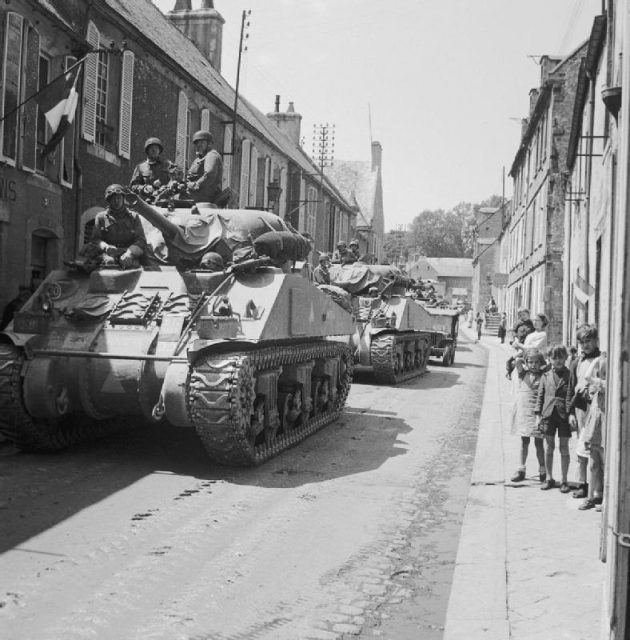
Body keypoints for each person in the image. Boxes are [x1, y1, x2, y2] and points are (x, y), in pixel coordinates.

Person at [567, 324, 602, 502]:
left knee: (595, 451)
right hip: (581, 410)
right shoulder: (576, 362)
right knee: (581, 450)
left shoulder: (601, 361)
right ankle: (582, 484)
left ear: (596, 341)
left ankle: (597, 489)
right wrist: (571, 412)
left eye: (588, 341)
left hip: (596, 410)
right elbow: (570, 389)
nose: (585, 345)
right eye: (582, 342)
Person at [79, 184, 146, 270]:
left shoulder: (133, 217)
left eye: (119, 198)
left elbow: (141, 240)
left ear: (123, 199)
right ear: (109, 200)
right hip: (107, 254)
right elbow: (95, 239)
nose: (116, 201)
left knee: (132, 266)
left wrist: (130, 253)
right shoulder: (101, 217)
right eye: (113, 199)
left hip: (128, 254)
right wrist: (106, 247)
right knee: (109, 263)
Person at [535, 344, 572, 492]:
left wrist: (571, 414)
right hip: (548, 415)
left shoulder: (570, 375)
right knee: (549, 447)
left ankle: (564, 480)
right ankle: (549, 478)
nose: (557, 360)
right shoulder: (545, 376)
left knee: (564, 448)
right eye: (554, 358)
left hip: (564, 416)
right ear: (549, 359)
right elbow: (540, 396)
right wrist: (538, 416)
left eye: (561, 357)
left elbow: (571, 395)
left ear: (565, 358)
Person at [510, 349, 547, 483]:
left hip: (537, 411)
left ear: (541, 363)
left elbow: (548, 365)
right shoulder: (522, 373)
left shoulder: (544, 375)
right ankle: (521, 469)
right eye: (530, 362)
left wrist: (543, 363)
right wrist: (522, 356)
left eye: (536, 362)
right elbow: (517, 362)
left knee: (539, 443)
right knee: (524, 441)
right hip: (525, 412)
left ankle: (543, 470)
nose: (533, 365)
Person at [579, 351, 607, 511]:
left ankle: (604, 499)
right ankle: (590, 497)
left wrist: (597, 360)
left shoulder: (606, 385)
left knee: (604, 465)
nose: (601, 376)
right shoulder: (599, 383)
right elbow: (588, 376)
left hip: (603, 429)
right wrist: (597, 361)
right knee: (593, 465)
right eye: (601, 373)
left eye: (604, 373)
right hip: (595, 428)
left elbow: (589, 377)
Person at [187, 130, 223, 204]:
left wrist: (195, 185)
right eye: (197, 143)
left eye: (202, 142)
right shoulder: (199, 158)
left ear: (209, 143)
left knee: (175, 198)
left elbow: (210, 174)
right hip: (197, 194)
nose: (198, 145)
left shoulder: (211, 155)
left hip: (204, 195)